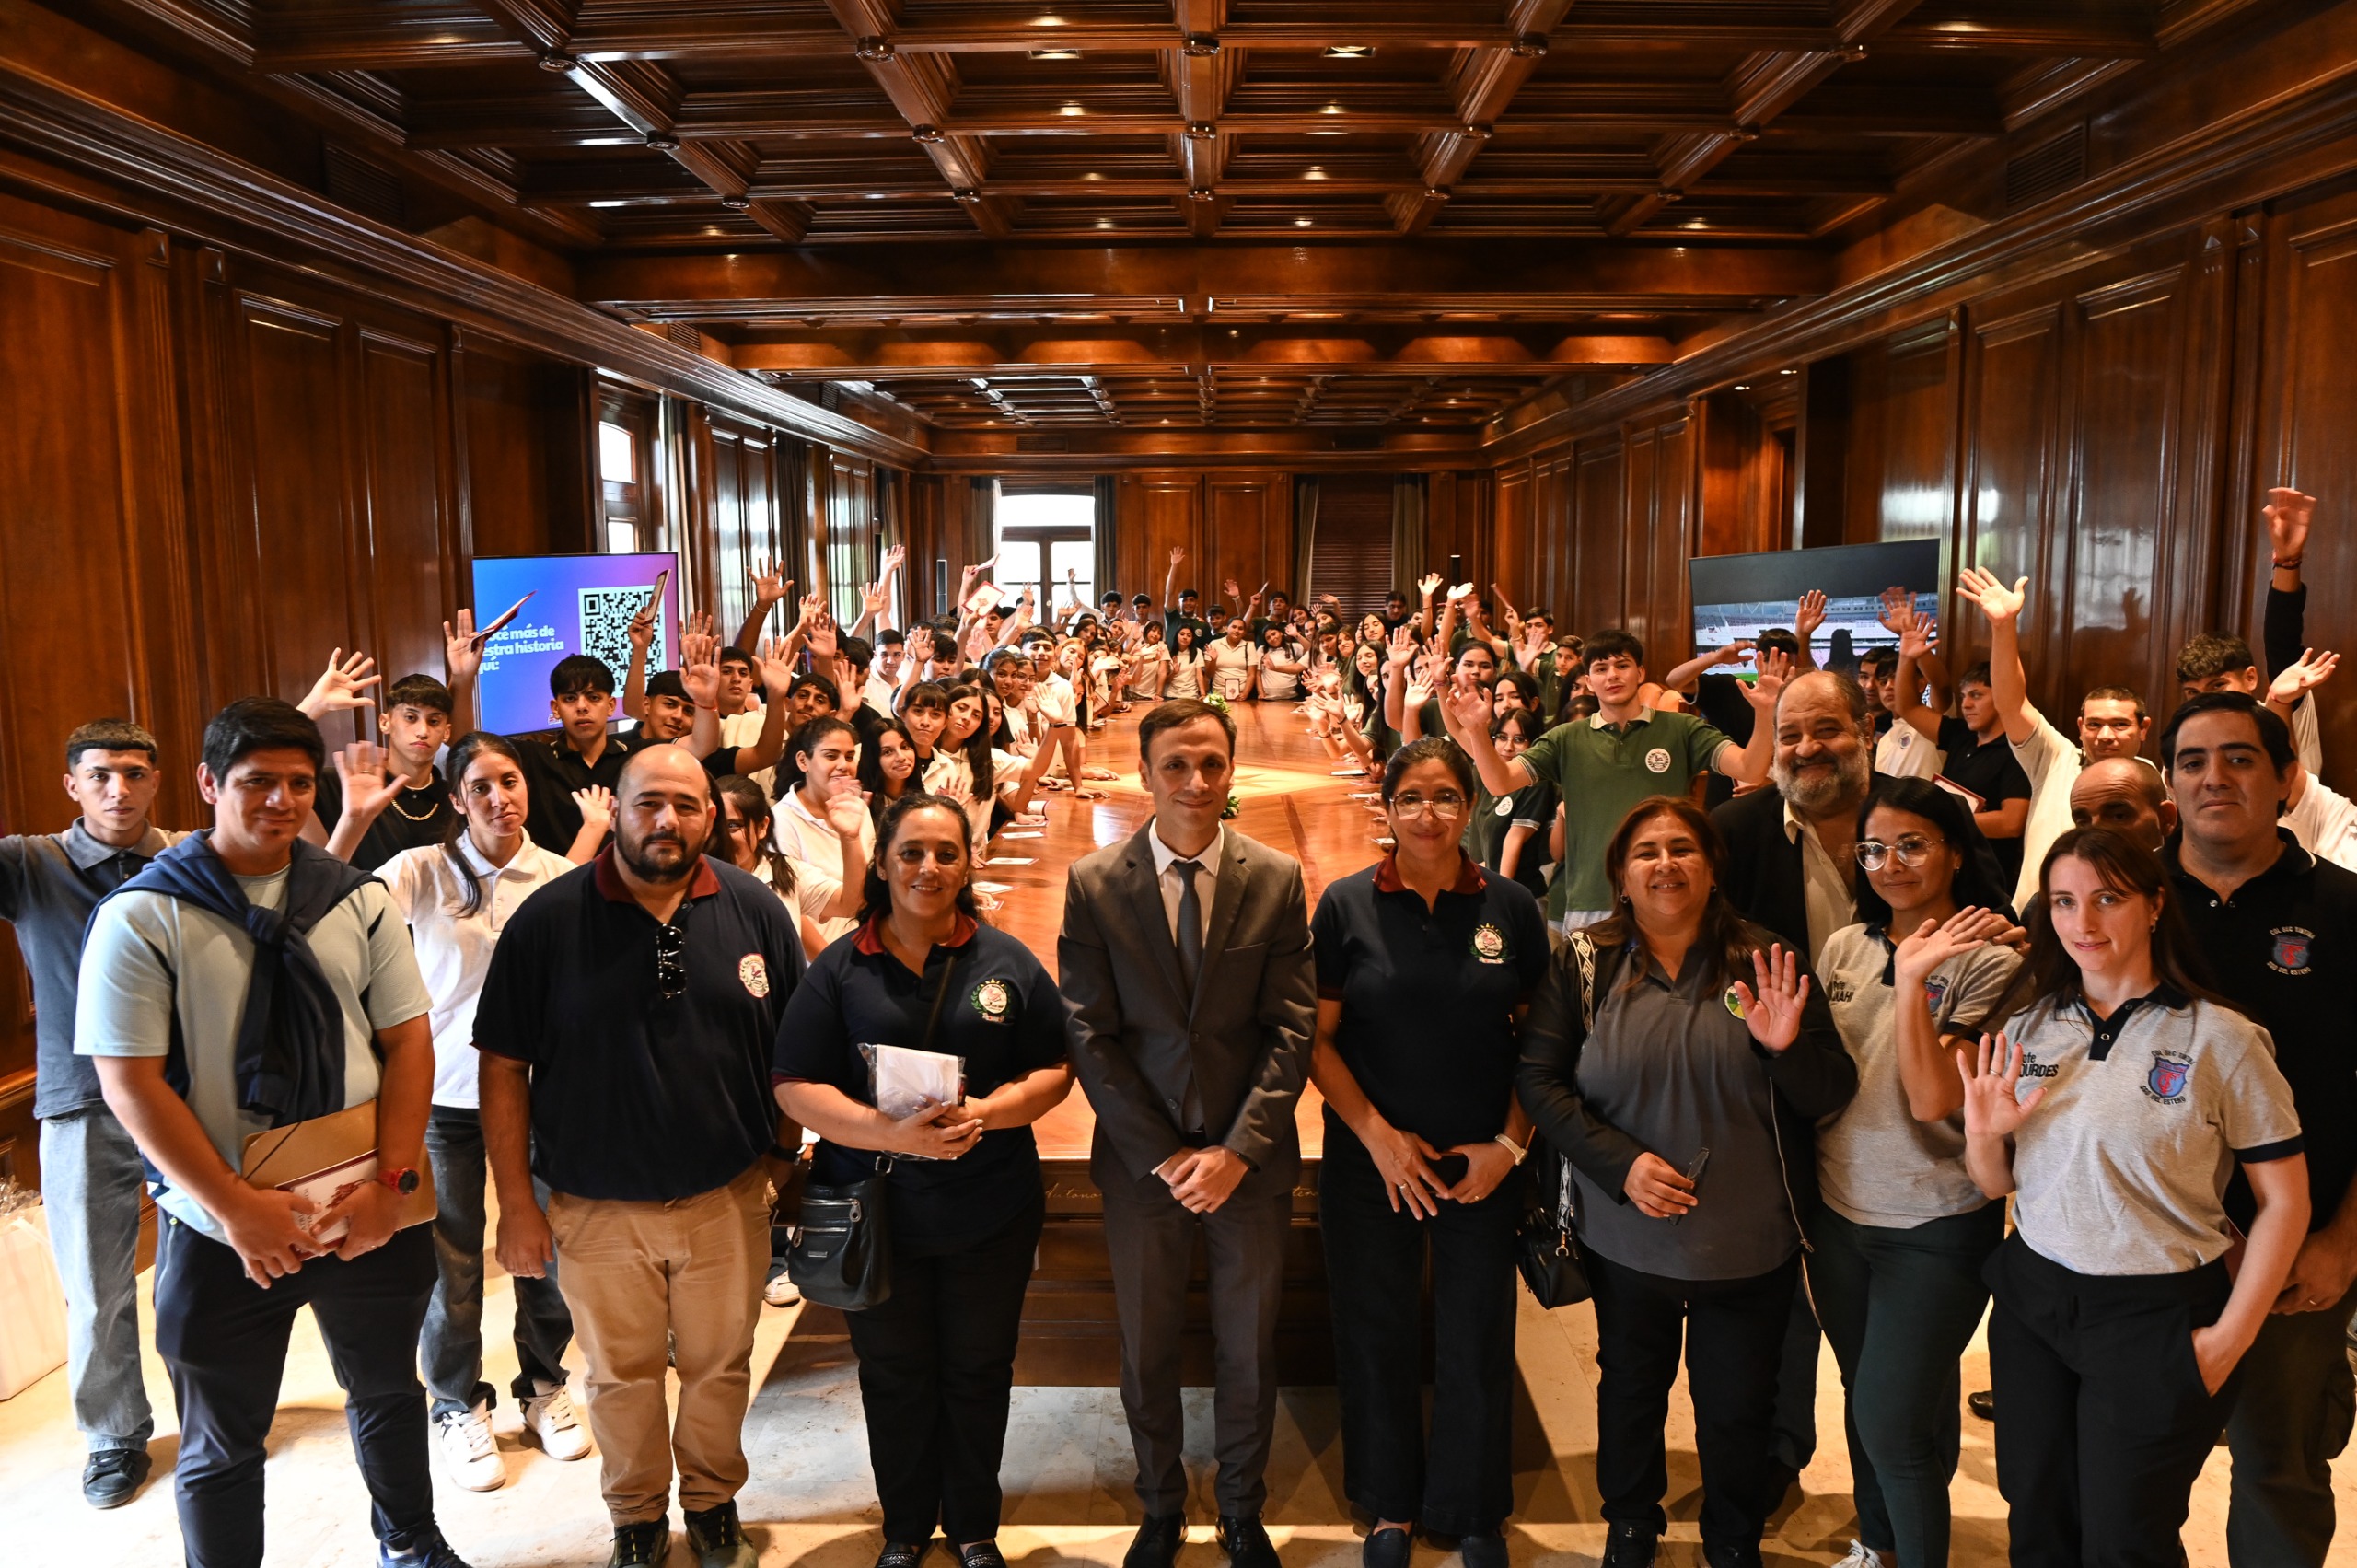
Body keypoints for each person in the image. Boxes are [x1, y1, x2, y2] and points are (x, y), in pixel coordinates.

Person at [77, 699, 469, 1568]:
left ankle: (410, 1540)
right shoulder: (143, 914)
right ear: (211, 783)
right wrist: (235, 1209)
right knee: (222, 1436)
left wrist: (391, 1185)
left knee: (387, 1390)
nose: (282, 801)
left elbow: (408, 1042)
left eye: (299, 782)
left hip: (363, 1198)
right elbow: (127, 1079)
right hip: (221, 1223)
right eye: (257, 782)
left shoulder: (354, 898)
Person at [473, 746, 805, 1568]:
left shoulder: (753, 906)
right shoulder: (548, 920)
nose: (668, 820)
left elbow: (798, 1044)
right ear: (614, 808)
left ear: (713, 816)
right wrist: (517, 1201)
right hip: (593, 1202)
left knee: (721, 1364)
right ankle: (635, 1515)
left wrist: (782, 1160)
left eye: (687, 805)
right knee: (618, 1375)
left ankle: (713, 1501)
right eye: (648, 802)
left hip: (727, 1193)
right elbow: (503, 1065)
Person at [1517, 796, 1854, 1568]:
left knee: (1736, 1406)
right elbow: (1540, 1080)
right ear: (1622, 875)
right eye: (1646, 852)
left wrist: (1783, 1049)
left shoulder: (1767, 958)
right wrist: (1619, 1163)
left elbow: (1830, 1091)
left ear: (1711, 868)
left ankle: (1732, 1536)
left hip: (1748, 1242)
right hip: (1625, 1239)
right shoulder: (1584, 963)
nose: (1664, 863)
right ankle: (1631, 1521)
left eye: (1681, 848)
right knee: (1630, 1391)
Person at [1960, 827, 2310, 1566]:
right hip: (2037, 1301)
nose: (2082, 922)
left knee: (2126, 1538)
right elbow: (1997, 1184)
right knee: (2038, 1517)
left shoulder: (2224, 1039)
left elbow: (2285, 1203)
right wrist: (1985, 1134)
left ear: (2153, 905)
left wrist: (2228, 1341)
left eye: (2106, 898)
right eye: (2063, 901)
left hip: (2155, 1311)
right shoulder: (2031, 1026)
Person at [773, 795, 1077, 1568]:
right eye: (911, 852)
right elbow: (794, 1081)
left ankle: (974, 1525)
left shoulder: (1006, 961)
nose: (928, 868)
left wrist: (992, 1111)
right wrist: (887, 1134)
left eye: (946, 852)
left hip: (990, 1207)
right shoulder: (840, 966)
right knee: (895, 1372)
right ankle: (906, 1527)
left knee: (979, 1368)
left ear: (968, 863)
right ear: (882, 864)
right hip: (879, 1214)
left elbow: (1056, 1065)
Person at [1060, 700, 1318, 1568]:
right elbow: (1089, 1033)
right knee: (1150, 1342)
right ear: (1145, 774)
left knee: (1250, 1344)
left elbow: (1291, 1028)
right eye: (1175, 765)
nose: (1195, 782)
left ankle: (1243, 1507)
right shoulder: (1095, 881)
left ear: (1232, 769)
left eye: (1210, 763)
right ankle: (1161, 1504)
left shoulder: (1277, 877)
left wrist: (1237, 1149)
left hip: (1249, 1163)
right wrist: (1168, 1154)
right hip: (1146, 1168)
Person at [1307, 739, 1549, 1568]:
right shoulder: (1345, 906)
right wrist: (1376, 1137)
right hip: (1374, 1157)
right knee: (1375, 1327)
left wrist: (1510, 1146)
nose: (1429, 813)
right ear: (1388, 807)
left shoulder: (1511, 907)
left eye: (1446, 796)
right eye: (1410, 797)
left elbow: (1539, 1044)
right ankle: (1389, 1505)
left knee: (1477, 1328)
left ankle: (1472, 1506)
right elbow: (1318, 1040)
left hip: (1478, 1159)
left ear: (1469, 808)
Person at [2154, 692, 2357, 1566]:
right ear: (2170, 783)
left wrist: (2346, 1238)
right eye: (2193, 760)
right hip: (2147, 1251)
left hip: (2301, 1251)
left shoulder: (2346, 909)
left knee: (2279, 1466)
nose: (2214, 778)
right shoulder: (2120, 900)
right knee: (2136, 1465)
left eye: (2240, 758)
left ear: (2285, 778)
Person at [1809, 779, 2021, 1568]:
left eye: (1912, 844)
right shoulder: (1843, 947)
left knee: (1890, 1420)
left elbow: (1942, 1099)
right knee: (1883, 1399)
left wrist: (1917, 971)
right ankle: (1881, 1543)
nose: (1889, 863)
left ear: (1955, 853)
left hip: (1935, 1222)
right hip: (1840, 1212)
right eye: (1873, 848)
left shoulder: (1993, 958)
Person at [373, 733, 588, 1491]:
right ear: (457, 799)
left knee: (550, 1252)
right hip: (444, 1097)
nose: (501, 797)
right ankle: (456, 1401)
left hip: (547, 1096)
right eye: (482, 787)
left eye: (510, 780)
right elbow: (338, 922)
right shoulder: (419, 870)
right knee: (453, 1261)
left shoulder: (562, 877)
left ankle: (545, 1384)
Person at [5, 719, 180, 1507]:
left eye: (136, 773)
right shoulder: (29, 861)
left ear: (157, 780)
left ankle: (214, 1412)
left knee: (198, 1276)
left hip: (188, 1099)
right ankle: (114, 1435)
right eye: (101, 774)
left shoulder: (187, 856)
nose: (120, 789)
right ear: (72, 784)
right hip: (78, 1102)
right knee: (96, 1285)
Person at [1440, 629, 1779, 938]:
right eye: (1601, 669)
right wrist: (1475, 731)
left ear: (1641, 673)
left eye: (1622, 665)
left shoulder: (1682, 730)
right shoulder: (1565, 739)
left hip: (1667, 896)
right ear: (1588, 680)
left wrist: (1765, 714)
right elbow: (1501, 782)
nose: (1613, 675)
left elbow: (1750, 768)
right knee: (1592, 1005)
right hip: (1590, 900)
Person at [1956, 567, 2156, 911]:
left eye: (2119, 725)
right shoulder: (2054, 757)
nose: (2105, 736)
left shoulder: (2152, 779)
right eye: (2094, 725)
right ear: (2079, 727)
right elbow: (2011, 703)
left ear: (2143, 729)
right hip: (2036, 922)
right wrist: (2004, 628)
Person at [308, 674, 459, 866]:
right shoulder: (337, 785)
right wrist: (312, 707)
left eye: (434, 721)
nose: (422, 731)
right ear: (385, 723)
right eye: (411, 718)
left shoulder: (456, 798)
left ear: (446, 732)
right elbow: (271, 765)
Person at [713, 772, 865, 961]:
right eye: (714, 825)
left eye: (733, 825)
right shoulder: (693, 877)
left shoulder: (786, 872)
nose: (722, 836)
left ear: (762, 827)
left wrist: (850, 837)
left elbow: (852, 904)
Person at [513, 655, 655, 856]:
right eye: (570, 698)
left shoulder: (636, 755)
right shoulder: (534, 757)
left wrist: (705, 703)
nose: (581, 706)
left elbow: (701, 745)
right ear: (556, 708)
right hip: (554, 883)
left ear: (611, 706)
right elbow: (465, 749)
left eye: (593, 697)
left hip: (624, 883)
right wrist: (463, 679)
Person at [772, 717, 879, 947]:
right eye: (831, 756)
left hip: (863, 944)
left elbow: (866, 885)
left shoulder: (856, 807)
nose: (844, 765)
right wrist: (829, 967)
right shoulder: (782, 819)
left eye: (849, 757)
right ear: (803, 761)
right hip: (819, 959)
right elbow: (790, 910)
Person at [1463, 708, 1555, 902]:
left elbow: (1514, 840)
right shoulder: (1491, 777)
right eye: (1502, 737)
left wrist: (1500, 897)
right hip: (1493, 886)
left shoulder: (1536, 783)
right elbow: (1494, 851)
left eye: (1519, 739)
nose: (1508, 747)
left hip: (1522, 897)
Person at [1165, 623, 1206, 700]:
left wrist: (1203, 694)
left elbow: (1199, 675)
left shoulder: (1197, 652)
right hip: (1171, 695)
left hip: (1190, 695)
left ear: (1192, 638)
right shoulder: (1169, 653)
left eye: (1189, 635)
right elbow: (1165, 680)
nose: (1185, 637)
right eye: (1182, 634)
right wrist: (1174, 672)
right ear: (1177, 635)